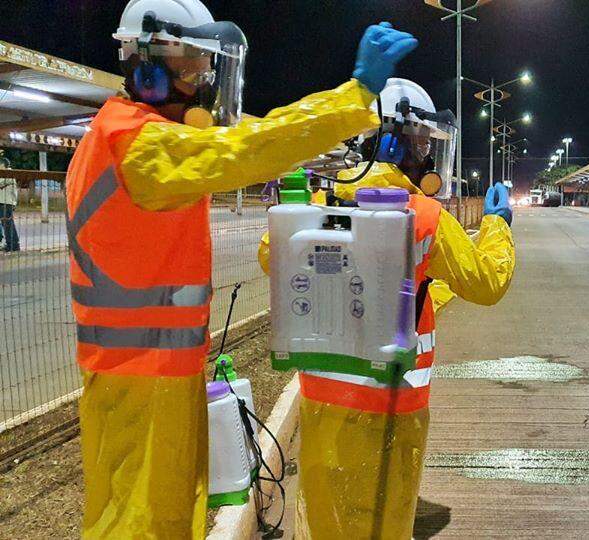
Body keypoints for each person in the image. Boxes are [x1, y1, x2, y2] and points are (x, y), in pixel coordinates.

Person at [65, 0, 417, 537]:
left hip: (149, 375)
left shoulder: (139, 136)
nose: (204, 84)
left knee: (162, 517)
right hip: (139, 378)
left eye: (209, 70)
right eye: (194, 69)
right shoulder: (138, 142)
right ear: (148, 66)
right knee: (137, 525)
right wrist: (355, 97)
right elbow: (248, 147)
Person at [259, 78, 515, 538]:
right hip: (393, 408)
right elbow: (488, 281)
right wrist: (497, 224)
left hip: (322, 404)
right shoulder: (425, 216)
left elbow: (270, 253)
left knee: (325, 520)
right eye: (422, 143)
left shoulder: (321, 207)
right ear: (400, 142)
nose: (427, 157)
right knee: (382, 524)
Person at [0, 158, 19, 253]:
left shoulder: (8, 173)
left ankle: (12, 246)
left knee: (8, 225)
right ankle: (12, 244)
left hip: (6, 203)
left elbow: (1, 183)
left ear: (3, 165)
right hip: (5, 202)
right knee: (7, 224)